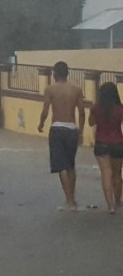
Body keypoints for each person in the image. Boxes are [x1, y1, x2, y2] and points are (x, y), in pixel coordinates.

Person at [38, 61, 85, 211]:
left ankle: (69, 201)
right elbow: (82, 113)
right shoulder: (76, 89)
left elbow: (45, 110)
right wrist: (81, 132)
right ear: (68, 73)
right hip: (72, 129)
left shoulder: (50, 89)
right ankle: (73, 198)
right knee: (71, 165)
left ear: (54, 74)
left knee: (61, 165)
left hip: (57, 128)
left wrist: (41, 124)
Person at [88, 82, 123, 214]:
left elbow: (91, 123)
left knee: (106, 174)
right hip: (118, 143)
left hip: (101, 143)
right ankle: (118, 200)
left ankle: (110, 206)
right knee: (117, 174)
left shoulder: (96, 108)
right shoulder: (120, 109)